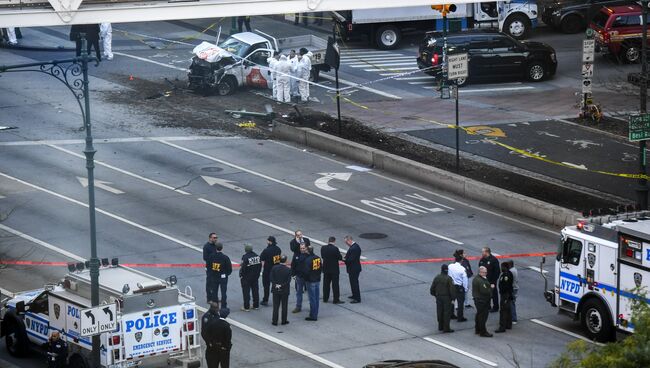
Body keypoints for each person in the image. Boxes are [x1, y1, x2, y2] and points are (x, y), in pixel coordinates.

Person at [202, 303, 232, 368]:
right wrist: (209, 343)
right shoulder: (207, 317)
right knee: (215, 364)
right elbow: (204, 332)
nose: (218, 310)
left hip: (216, 346)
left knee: (216, 364)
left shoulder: (216, 318)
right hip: (215, 347)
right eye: (217, 308)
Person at [430, 264, 455, 333]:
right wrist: (453, 298)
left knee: (439, 311)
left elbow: (432, 288)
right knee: (446, 312)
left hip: (438, 297)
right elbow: (452, 289)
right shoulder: (449, 279)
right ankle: (446, 328)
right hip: (446, 298)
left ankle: (440, 326)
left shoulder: (437, 277)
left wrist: (435, 295)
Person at [207, 243, 232, 308]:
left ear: (216, 248)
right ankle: (223, 306)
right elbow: (229, 269)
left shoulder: (211, 256)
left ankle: (215, 306)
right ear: (222, 248)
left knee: (214, 292)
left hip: (214, 276)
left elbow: (208, 266)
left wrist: (211, 273)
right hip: (223, 277)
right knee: (223, 293)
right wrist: (226, 274)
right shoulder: (225, 257)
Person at [321, 236, 344, 304]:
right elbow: (339, 258)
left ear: (328, 241)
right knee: (335, 285)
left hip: (326, 269)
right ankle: (336, 299)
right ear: (334, 241)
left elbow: (322, 256)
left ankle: (325, 298)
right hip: (334, 269)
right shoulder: (335, 249)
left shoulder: (323, 248)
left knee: (326, 284)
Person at [260, 236, 282, 306]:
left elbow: (262, 259)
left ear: (270, 242)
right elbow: (277, 260)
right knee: (276, 285)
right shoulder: (278, 249)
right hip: (276, 269)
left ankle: (265, 300)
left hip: (267, 270)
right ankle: (277, 299)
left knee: (266, 286)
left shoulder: (266, 250)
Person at [240, 243, 262, 311]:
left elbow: (243, 268)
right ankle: (256, 305)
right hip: (255, 277)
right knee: (255, 291)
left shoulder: (245, 257)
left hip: (246, 277)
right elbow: (260, 266)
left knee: (246, 292)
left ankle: (246, 307)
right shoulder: (257, 256)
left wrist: (241, 275)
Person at [270, 255, 291, 325]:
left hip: (275, 289)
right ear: (286, 261)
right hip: (284, 290)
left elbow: (271, 278)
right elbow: (288, 281)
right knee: (284, 306)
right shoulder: (288, 270)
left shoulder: (274, 268)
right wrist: (281, 285)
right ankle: (284, 320)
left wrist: (276, 285)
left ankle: (274, 321)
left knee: (276, 306)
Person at [473, 266, 493, 337]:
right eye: (485, 272)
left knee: (479, 315)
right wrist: (491, 288)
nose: (486, 273)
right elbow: (485, 291)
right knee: (483, 317)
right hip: (482, 300)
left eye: (486, 272)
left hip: (479, 300)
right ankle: (483, 332)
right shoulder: (480, 280)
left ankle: (478, 329)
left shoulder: (478, 278)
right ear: (480, 272)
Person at [303, 245, 322, 321]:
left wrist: (305, 279)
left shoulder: (308, 260)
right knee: (316, 298)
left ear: (307, 251)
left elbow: (306, 271)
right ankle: (315, 313)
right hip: (317, 279)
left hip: (310, 281)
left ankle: (313, 315)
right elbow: (321, 268)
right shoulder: (317, 258)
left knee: (312, 299)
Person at [478, 247, 500, 312]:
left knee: (493, 294)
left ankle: (495, 307)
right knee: (485, 294)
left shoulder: (494, 260)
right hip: (484, 280)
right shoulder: (482, 259)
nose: (482, 253)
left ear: (487, 252)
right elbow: (480, 268)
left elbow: (497, 271)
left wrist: (493, 281)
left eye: (483, 252)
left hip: (491, 281)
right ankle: (488, 306)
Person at [448, 253, 468, 322]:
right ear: (461, 261)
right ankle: (460, 317)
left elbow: (448, 275)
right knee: (460, 303)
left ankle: (451, 314)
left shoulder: (450, 266)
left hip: (452, 286)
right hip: (459, 287)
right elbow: (465, 279)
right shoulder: (462, 269)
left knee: (452, 300)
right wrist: (465, 288)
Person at [495, 262, 514, 333]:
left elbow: (505, 286)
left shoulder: (506, 275)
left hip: (505, 295)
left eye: (502, 267)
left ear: (505, 267)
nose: (501, 268)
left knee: (503, 310)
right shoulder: (507, 273)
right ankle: (508, 324)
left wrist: (503, 293)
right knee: (508, 310)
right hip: (506, 294)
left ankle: (502, 327)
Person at [343, 235, 362, 303]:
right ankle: (354, 295)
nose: (346, 244)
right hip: (354, 268)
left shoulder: (353, 248)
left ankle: (357, 298)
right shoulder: (355, 246)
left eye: (346, 242)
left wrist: (344, 260)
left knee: (354, 283)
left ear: (349, 240)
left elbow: (350, 260)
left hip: (354, 268)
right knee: (353, 282)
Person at [291, 244, 309, 313]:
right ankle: (298, 306)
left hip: (307, 277)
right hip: (299, 277)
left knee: (309, 293)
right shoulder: (296, 255)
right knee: (299, 292)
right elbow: (293, 265)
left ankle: (311, 306)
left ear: (306, 248)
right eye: (301, 248)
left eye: (303, 248)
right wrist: (293, 274)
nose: (302, 249)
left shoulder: (309, 255)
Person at [204, 233, 220, 303]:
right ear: (210, 238)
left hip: (216, 267)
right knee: (209, 283)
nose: (215, 239)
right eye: (214, 238)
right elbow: (205, 258)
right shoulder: (206, 247)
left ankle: (215, 297)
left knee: (215, 283)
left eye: (216, 237)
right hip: (210, 268)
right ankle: (209, 299)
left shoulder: (216, 246)